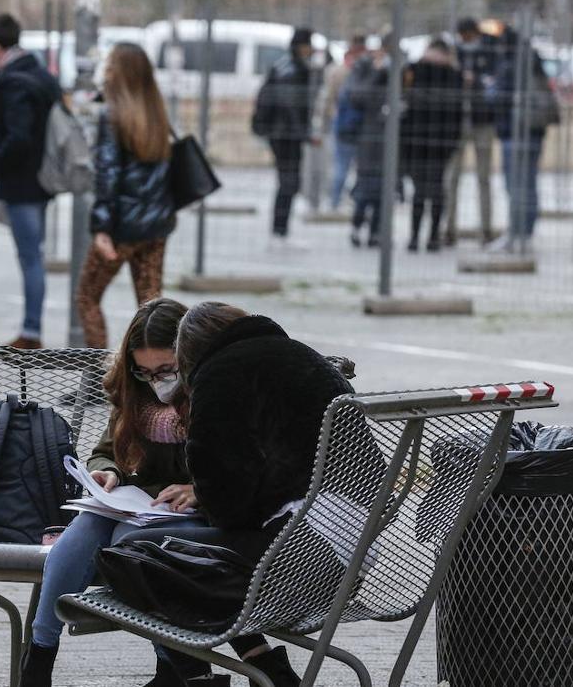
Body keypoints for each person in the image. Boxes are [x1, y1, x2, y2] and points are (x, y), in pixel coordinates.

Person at [112, 301, 377, 687]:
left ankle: (193, 677)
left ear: (188, 355)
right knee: (175, 554)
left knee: (129, 554)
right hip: (356, 558)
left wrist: (206, 500)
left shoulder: (219, 375)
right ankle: (263, 666)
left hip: (296, 559)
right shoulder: (303, 357)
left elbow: (225, 503)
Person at [23, 298, 233, 687]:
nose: (157, 382)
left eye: (167, 370)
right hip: (139, 508)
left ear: (189, 358)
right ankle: (39, 657)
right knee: (87, 526)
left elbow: (239, 466)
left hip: (204, 517)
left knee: (128, 541)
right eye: (145, 373)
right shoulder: (135, 396)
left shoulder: (215, 393)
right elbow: (106, 452)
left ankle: (180, 669)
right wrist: (107, 474)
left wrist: (197, 490)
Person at [75, 43, 175, 349]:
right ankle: (160, 381)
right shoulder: (157, 113)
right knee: (151, 307)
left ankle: (97, 378)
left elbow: (108, 175)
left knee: (88, 297)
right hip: (156, 226)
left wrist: (102, 228)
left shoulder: (112, 115)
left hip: (122, 228)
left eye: (109, 65)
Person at [0, 13, 61, 349]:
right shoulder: (39, 73)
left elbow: (18, 136)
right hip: (42, 178)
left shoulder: (13, 81)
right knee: (33, 255)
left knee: (30, 257)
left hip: (22, 181)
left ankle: (31, 331)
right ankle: (31, 327)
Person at [490, 27, 558, 255]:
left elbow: (498, 97)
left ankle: (517, 232)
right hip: (535, 132)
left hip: (514, 133)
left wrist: (488, 88)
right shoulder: (534, 64)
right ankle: (526, 232)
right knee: (529, 183)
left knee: (515, 185)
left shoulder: (510, 66)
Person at [252, 27, 316, 243]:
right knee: (289, 182)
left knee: (288, 182)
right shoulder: (292, 69)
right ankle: (280, 230)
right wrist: (303, 132)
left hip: (282, 132)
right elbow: (289, 104)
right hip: (286, 134)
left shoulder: (283, 65)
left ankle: (280, 229)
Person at [400, 39, 463, 252]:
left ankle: (427, 236)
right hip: (425, 142)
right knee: (426, 192)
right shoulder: (418, 71)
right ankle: (421, 236)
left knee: (430, 192)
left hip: (432, 143)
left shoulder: (450, 75)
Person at [444, 18, 499, 247]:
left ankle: (486, 229)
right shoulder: (453, 54)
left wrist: (474, 81)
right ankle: (449, 228)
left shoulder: (491, 51)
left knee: (484, 177)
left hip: (482, 122)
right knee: (451, 178)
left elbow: (493, 83)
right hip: (457, 123)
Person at [347, 35, 392, 248]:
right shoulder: (365, 67)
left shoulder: (396, 68)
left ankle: (376, 230)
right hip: (368, 135)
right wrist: (376, 72)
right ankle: (357, 225)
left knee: (384, 189)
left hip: (388, 137)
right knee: (366, 185)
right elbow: (357, 96)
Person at [318, 34, 366, 211]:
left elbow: (328, 98)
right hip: (362, 126)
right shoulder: (368, 70)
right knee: (360, 168)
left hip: (341, 124)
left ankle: (335, 202)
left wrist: (326, 119)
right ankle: (352, 200)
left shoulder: (337, 71)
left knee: (340, 166)